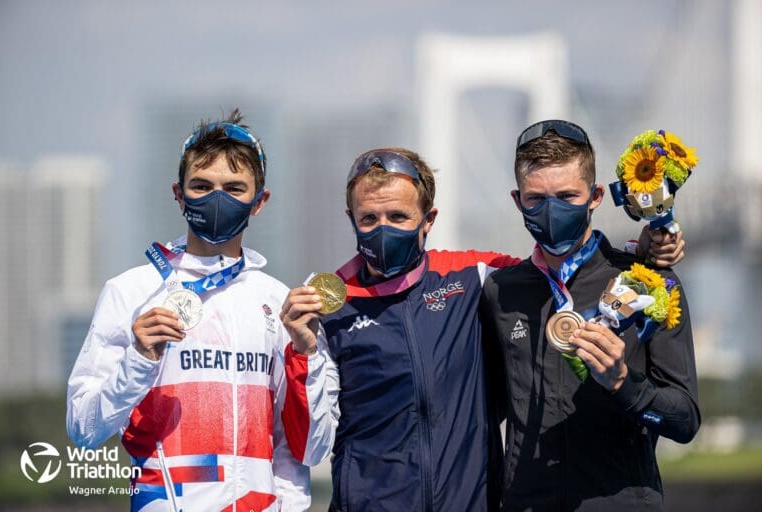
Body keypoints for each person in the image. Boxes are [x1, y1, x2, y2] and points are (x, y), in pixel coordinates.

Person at [279, 146, 686, 511]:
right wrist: (303, 351)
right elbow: (313, 448)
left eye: (399, 216)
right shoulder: (325, 314)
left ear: (428, 219)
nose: (384, 228)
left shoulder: (476, 277)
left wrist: (640, 253)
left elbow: (560, 268)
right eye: (370, 217)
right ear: (352, 220)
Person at [67, 110, 312, 512]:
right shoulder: (130, 291)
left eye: (234, 188)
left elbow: (288, 444)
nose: (218, 198)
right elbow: (82, 429)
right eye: (202, 185)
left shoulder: (277, 299)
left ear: (260, 201)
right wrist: (138, 360)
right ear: (178, 194)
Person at [479, 120, 700, 511]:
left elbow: (684, 423)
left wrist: (622, 384)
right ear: (517, 200)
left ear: (596, 195)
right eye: (536, 199)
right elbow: (481, 410)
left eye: (567, 195)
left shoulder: (649, 282)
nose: (552, 211)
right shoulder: (501, 292)